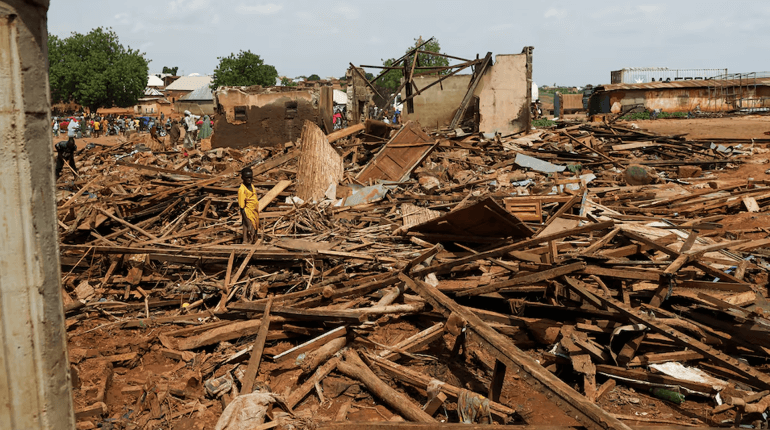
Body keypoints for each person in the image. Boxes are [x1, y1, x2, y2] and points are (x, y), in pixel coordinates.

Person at [238, 168, 259, 244]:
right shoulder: (242, 190)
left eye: (250, 177)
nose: (249, 179)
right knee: (250, 230)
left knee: (254, 231)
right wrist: (248, 222)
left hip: (255, 213)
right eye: (247, 177)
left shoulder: (252, 186)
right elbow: (242, 208)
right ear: (242, 178)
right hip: (248, 213)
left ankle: (250, 241)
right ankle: (246, 242)